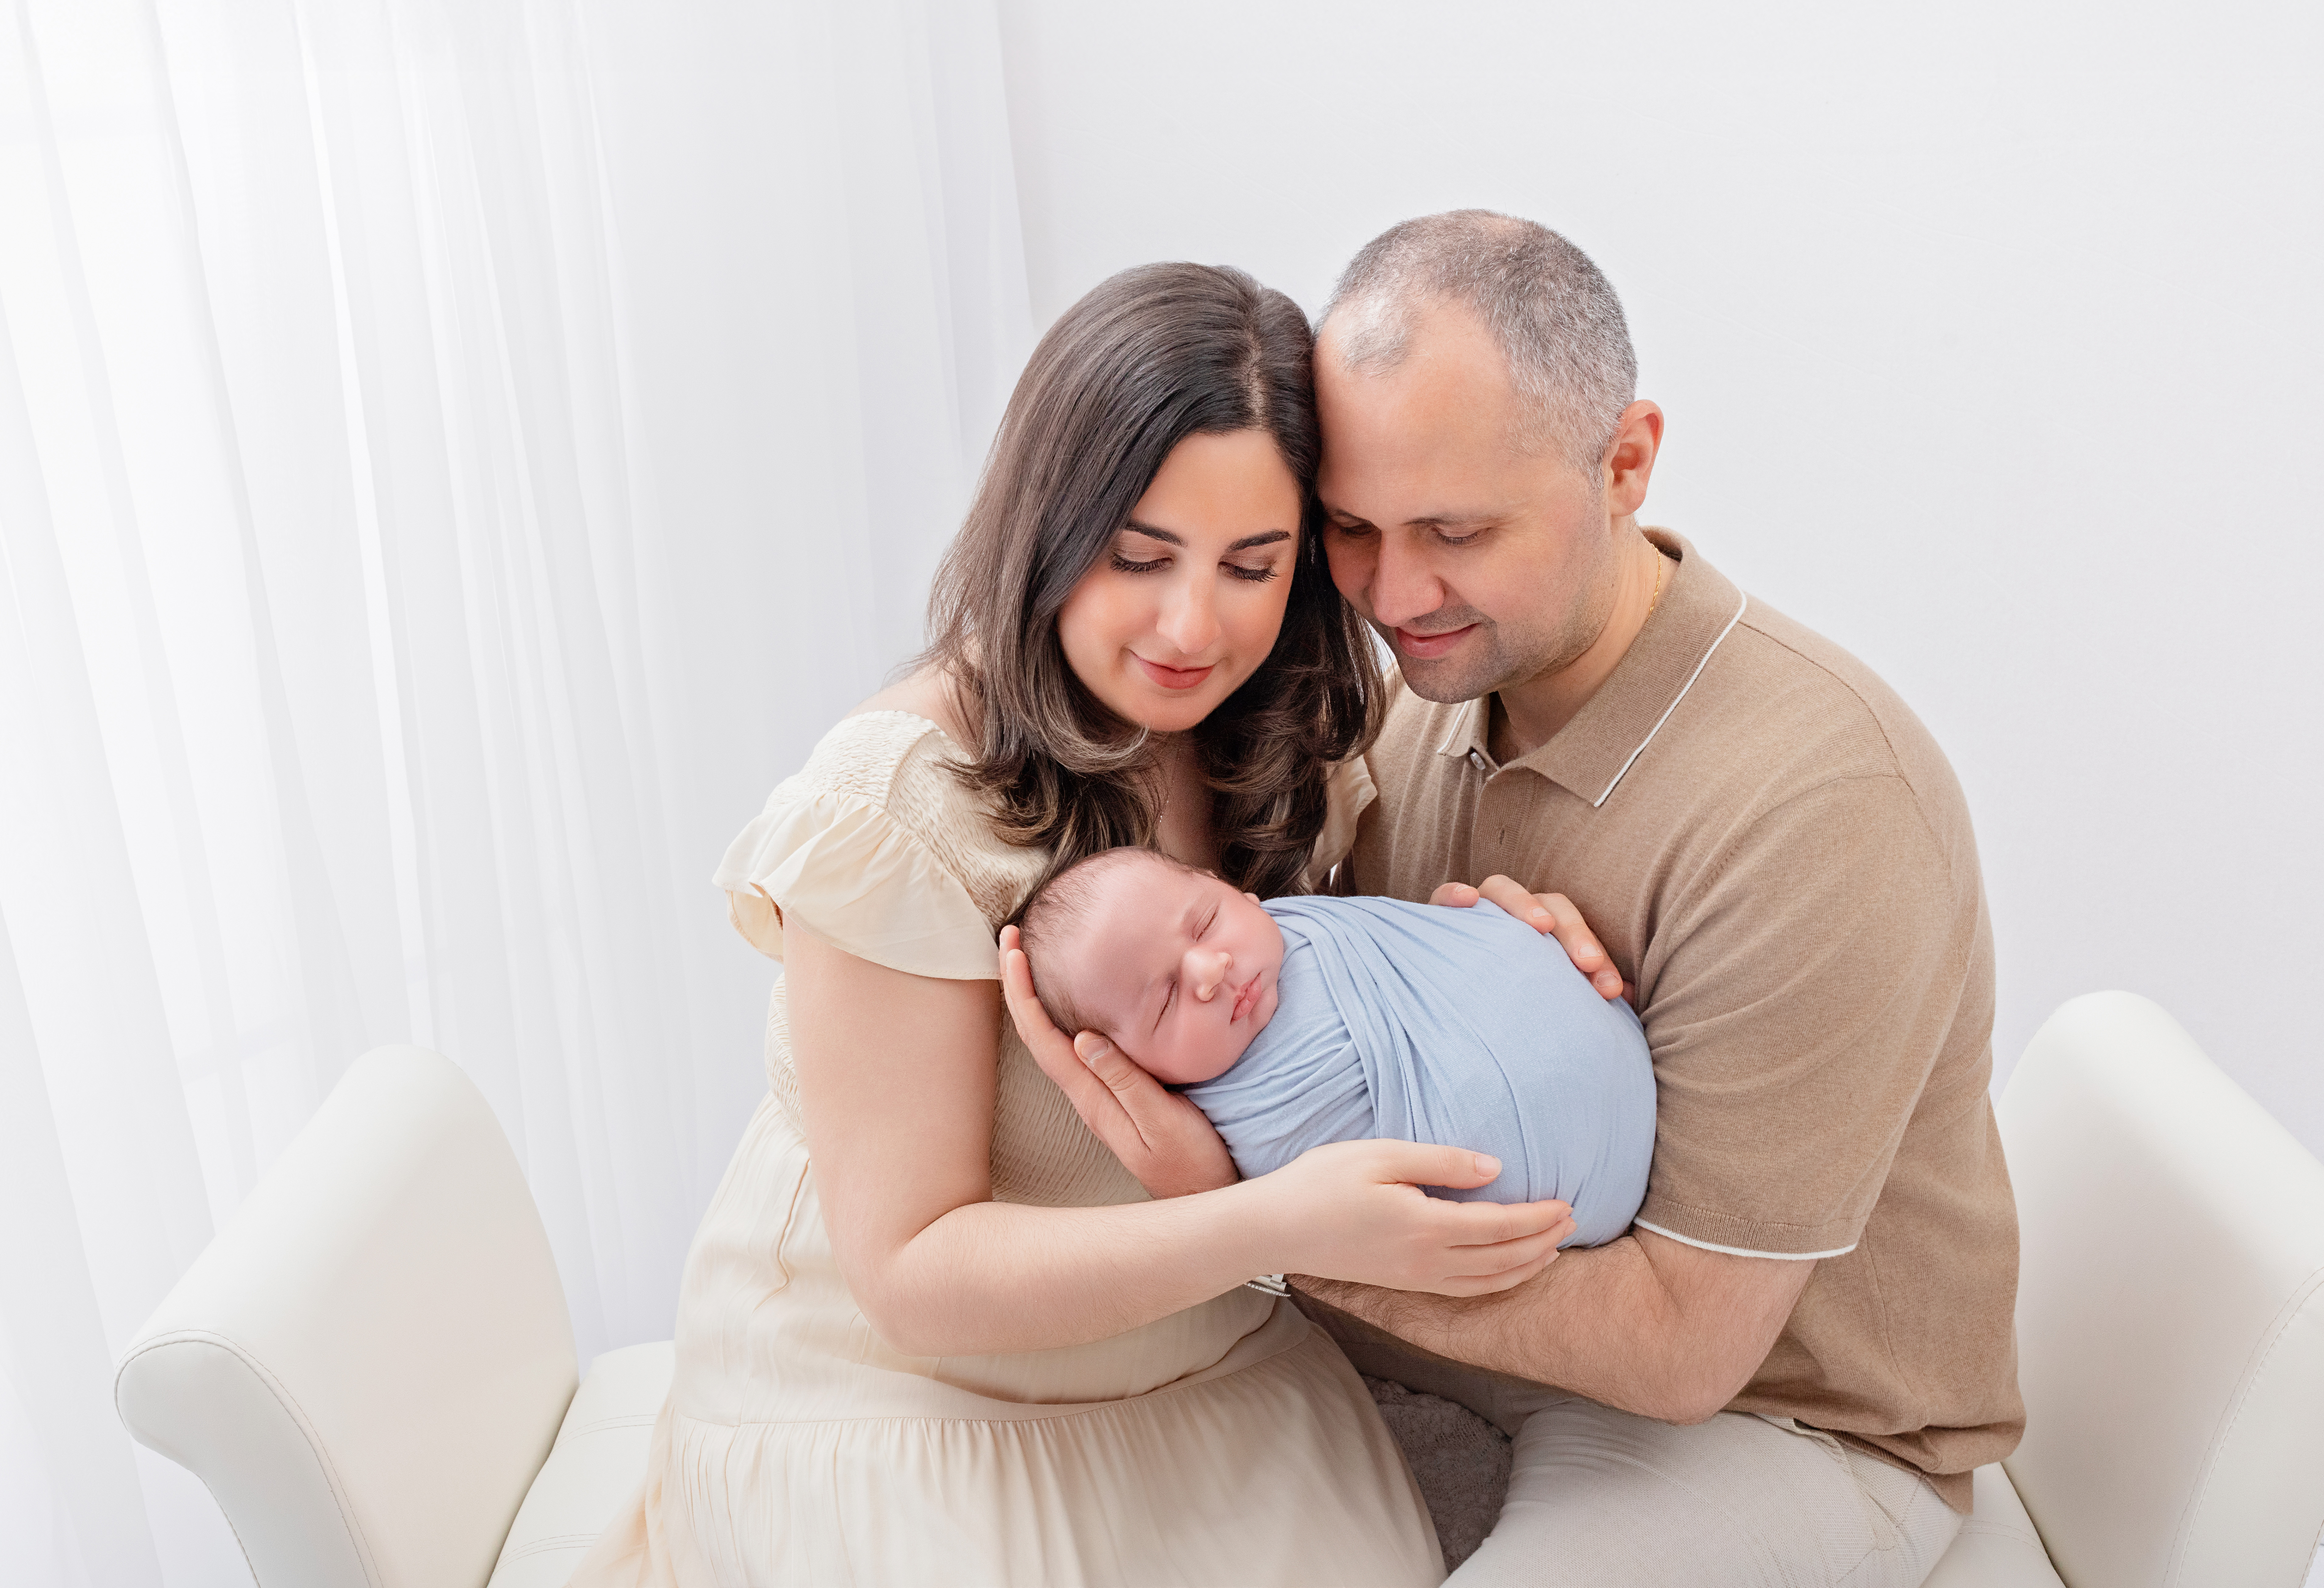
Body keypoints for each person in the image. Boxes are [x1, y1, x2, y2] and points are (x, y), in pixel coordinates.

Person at [1010, 212, 2023, 1586]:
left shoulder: (1820, 803)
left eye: (1459, 529)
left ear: (1625, 461)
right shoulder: (1426, 699)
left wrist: (1259, 1220)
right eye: (1355, 531)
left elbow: (1680, 1341)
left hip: (1771, 1418)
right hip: (1440, 1351)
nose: (1396, 591)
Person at [577, 261, 1584, 1587]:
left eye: (1252, 565)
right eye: (1138, 556)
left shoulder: (1283, 749)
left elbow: (1312, 1039)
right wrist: (1270, 1224)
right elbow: (913, 1267)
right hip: (892, 1401)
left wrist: (1480, 959)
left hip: (1186, 1360)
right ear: (1051, 529)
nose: (1190, 624)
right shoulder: (902, 799)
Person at [1011, 844, 1653, 1244]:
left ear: (1231, 887)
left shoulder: (1310, 919)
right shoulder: (1234, 1121)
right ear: (1128, 1066)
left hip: (1619, 1054)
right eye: (1165, 999)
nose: (1210, 972)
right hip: (1554, 1204)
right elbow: (1313, 1221)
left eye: (1206, 920)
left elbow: (1426, 938)